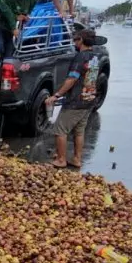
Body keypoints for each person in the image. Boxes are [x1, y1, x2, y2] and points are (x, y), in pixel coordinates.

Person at [45, 28, 102, 170]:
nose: (74, 42)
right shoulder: (95, 57)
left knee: (60, 129)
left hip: (76, 101)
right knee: (79, 131)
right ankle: (77, 159)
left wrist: (56, 95)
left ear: (81, 40)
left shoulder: (80, 57)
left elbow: (72, 79)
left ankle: (61, 159)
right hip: (89, 99)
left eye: (76, 39)